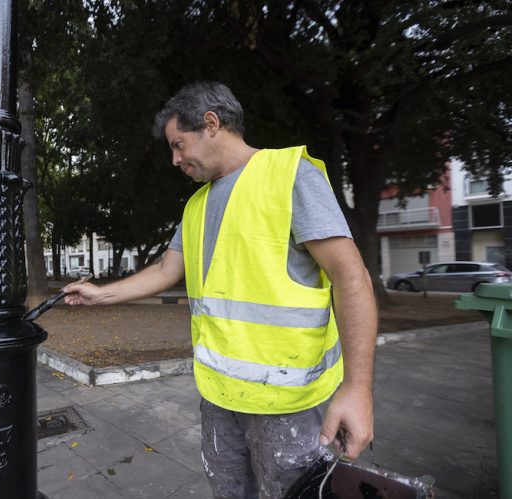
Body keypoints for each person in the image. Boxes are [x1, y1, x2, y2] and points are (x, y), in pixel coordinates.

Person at [64, 82, 376, 498]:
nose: (175, 160)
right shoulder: (197, 205)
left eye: (178, 145)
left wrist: (357, 389)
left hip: (285, 404)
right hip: (218, 396)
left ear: (211, 124)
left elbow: (351, 277)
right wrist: (98, 294)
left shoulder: (288, 175)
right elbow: (164, 270)